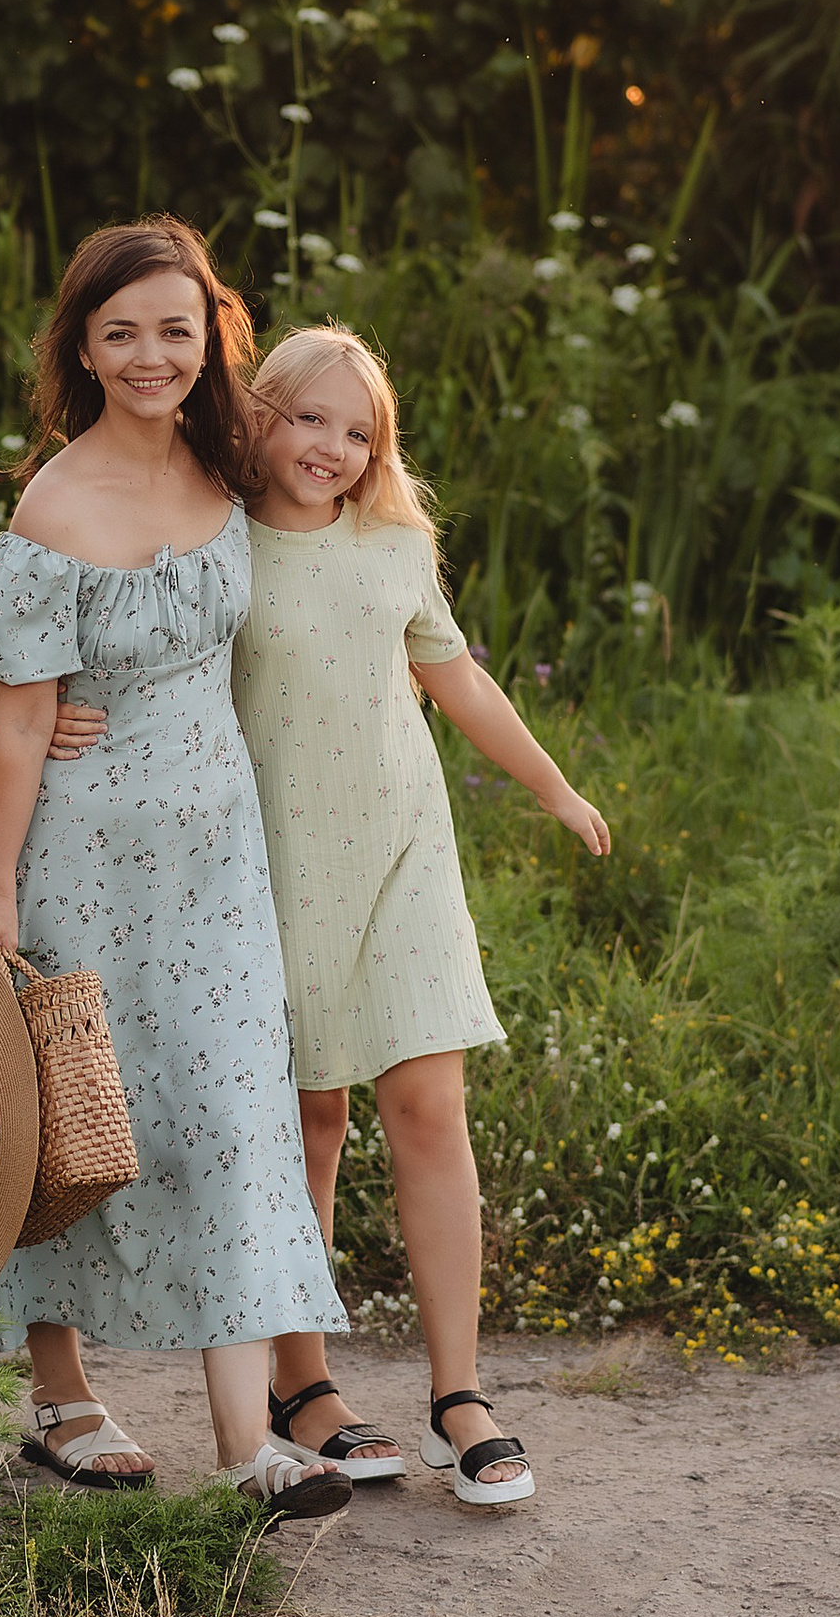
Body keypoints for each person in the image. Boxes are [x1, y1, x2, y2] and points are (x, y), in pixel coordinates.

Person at [0, 217, 353, 1525]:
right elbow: (23, 717)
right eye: (120, 331)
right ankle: (61, 1392)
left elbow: (347, 506)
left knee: (234, 1115)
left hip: (218, 855)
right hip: (87, 848)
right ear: (82, 343)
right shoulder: (54, 505)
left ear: (209, 338)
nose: (149, 354)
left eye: (174, 329)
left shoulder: (228, 464)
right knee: (84, 1123)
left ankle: (251, 1444)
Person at [232, 326, 611, 1509]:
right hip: (273, 863)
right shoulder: (216, 540)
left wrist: (552, 784)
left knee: (427, 1105)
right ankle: (306, 1384)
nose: (332, 448)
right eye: (308, 419)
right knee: (310, 1117)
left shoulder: (397, 545)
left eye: (358, 431)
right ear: (259, 414)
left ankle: (459, 1397)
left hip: (403, 855)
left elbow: (459, 679)